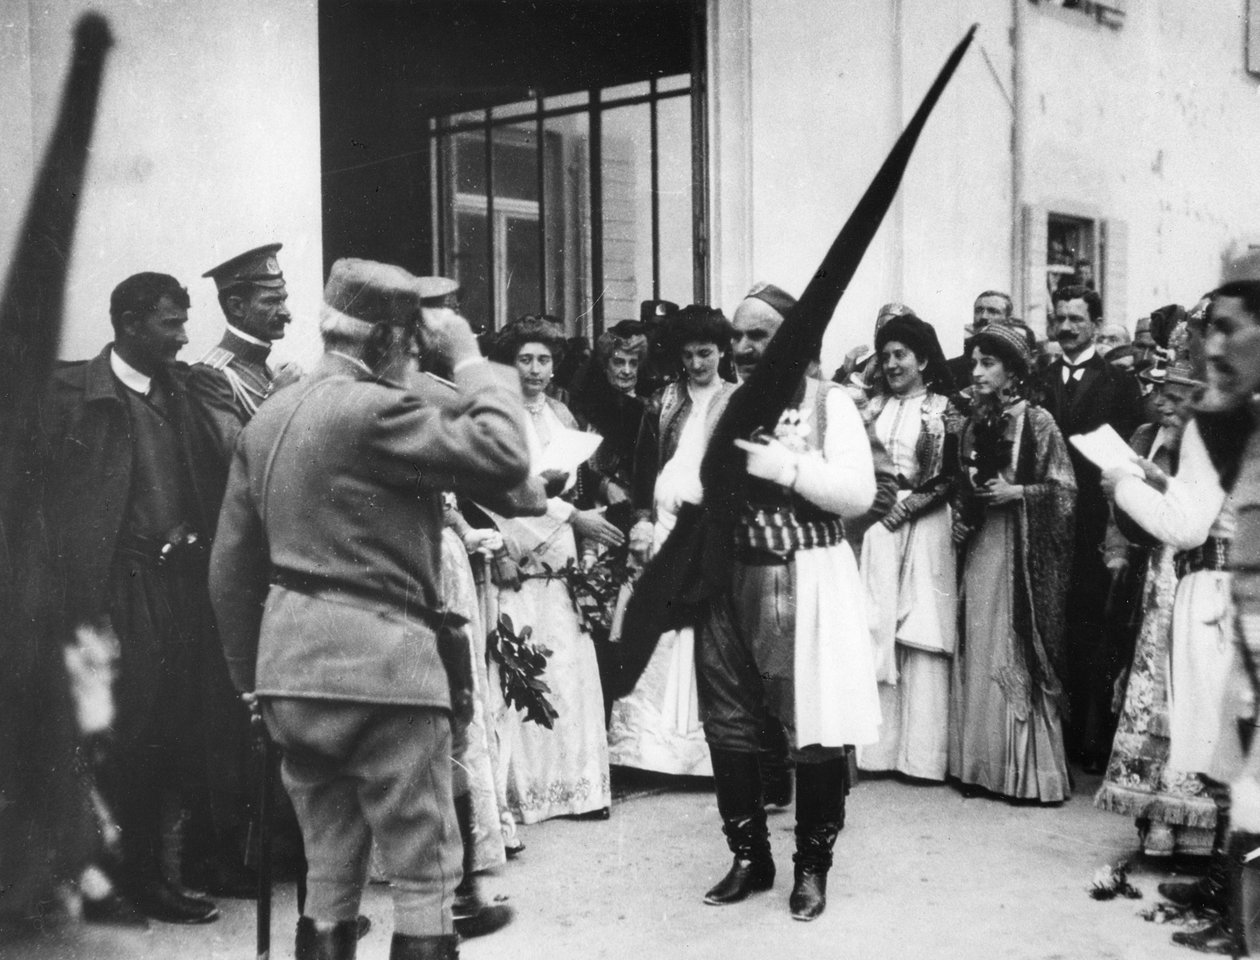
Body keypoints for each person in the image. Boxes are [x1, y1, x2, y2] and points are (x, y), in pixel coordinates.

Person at [209, 258, 532, 960]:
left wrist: (249, 682)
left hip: (291, 670)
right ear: (388, 340)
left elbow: (229, 571)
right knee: (425, 872)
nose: (415, 352)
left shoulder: (268, 416)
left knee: (328, 868)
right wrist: (470, 358)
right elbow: (506, 455)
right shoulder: (379, 409)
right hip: (385, 669)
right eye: (410, 341)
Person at [30, 272, 230, 924]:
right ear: (128, 323)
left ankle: (156, 876)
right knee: (122, 739)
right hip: (115, 593)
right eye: (171, 323)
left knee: (173, 734)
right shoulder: (75, 398)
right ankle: (121, 886)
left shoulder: (185, 393)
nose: (183, 335)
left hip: (182, 588)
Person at [697, 282, 879, 922]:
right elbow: (690, 479)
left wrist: (792, 470)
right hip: (729, 583)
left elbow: (859, 494)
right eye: (738, 336)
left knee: (815, 729)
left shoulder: (832, 404)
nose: (743, 349)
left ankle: (811, 869)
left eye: (759, 336)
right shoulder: (720, 402)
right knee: (729, 723)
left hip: (805, 577)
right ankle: (750, 857)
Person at [486, 315, 618, 825]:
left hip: (560, 545)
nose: (536, 369)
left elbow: (574, 483)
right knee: (524, 664)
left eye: (544, 359)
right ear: (508, 362)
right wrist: (572, 515)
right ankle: (527, 794)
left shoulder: (561, 412)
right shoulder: (498, 415)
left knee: (565, 664)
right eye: (525, 359)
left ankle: (576, 790)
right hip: (518, 539)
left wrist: (579, 521)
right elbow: (504, 489)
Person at [1094, 354, 1221, 859]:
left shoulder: (1213, 438)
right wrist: (1155, 479)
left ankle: (1200, 831)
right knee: (1158, 692)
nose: (1165, 403)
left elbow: (1193, 520)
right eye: (1163, 391)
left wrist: (1129, 486)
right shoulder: (1177, 439)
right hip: (1168, 575)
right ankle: (1160, 821)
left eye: (1179, 393)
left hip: (1201, 575)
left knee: (1192, 699)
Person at [950, 322, 1077, 803]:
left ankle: (1020, 773)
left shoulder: (1038, 421)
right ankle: (978, 765)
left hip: (1019, 551)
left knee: (1009, 641)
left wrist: (1018, 492)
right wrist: (965, 515)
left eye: (988, 364)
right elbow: (964, 482)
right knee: (979, 638)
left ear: (1014, 372)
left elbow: (1065, 490)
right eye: (975, 363)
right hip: (983, 546)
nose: (977, 372)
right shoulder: (972, 419)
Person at [609, 306, 738, 776]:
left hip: (710, 530)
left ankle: (704, 756)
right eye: (688, 355)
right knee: (657, 628)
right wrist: (641, 521)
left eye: (705, 353)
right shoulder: (662, 401)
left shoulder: (738, 400)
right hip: (664, 526)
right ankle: (647, 753)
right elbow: (645, 467)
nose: (697, 364)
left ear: (722, 350)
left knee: (705, 631)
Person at [1040, 284, 1144, 772]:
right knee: (1047, 627)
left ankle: (1087, 741)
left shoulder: (1120, 385)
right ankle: (1047, 740)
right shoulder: (1038, 377)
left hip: (1091, 526)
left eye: (1076, 320)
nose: (1065, 327)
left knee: (1088, 629)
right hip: (1042, 521)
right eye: (1059, 318)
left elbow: (1128, 459)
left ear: (1095, 325)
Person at [856, 314, 958, 782]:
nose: (893, 364)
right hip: (877, 525)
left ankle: (922, 756)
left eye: (902, 355)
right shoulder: (869, 409)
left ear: (922, 358)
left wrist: (908, 508)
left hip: (926, 523)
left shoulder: (943, 410)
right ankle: (875, 753)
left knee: (920, 630)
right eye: (887, 356)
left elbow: (950, 475)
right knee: (875, 625)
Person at [946, 290, 1014, 389]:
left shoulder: (1014, 364)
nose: (983, 316)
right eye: (978, 310)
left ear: (1008, 319)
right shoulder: (953, 368)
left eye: (993, 311)